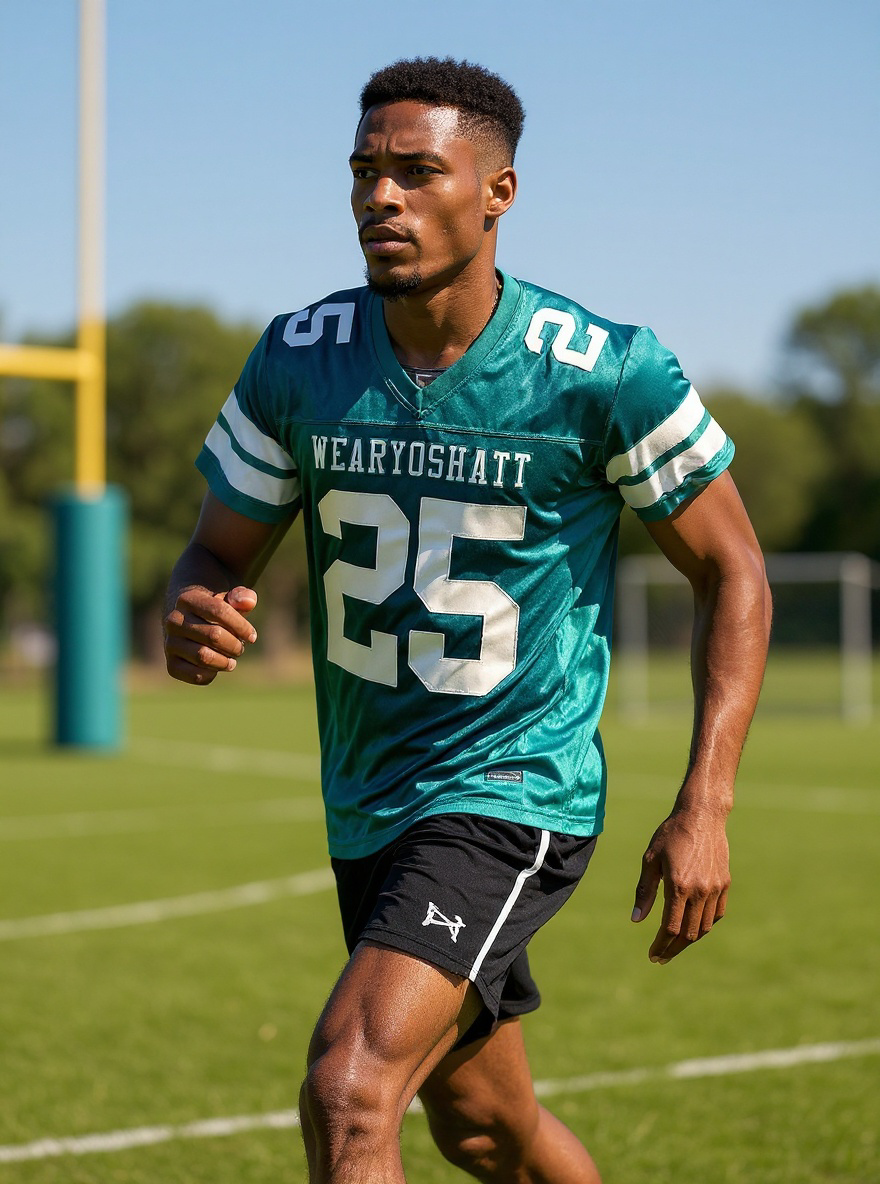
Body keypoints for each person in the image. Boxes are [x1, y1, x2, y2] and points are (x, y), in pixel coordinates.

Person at [163, 56, 771, 1184]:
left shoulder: (604, 370)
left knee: (349, 1085)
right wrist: (190, 610)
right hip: (369, 795)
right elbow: (214, 551)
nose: (377, 197)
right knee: (486, 1125)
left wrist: (707, 799)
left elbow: (734, 569)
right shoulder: (299, 358)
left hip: (512, 786)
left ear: (497, 192)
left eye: (413, 171)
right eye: (362, 171)